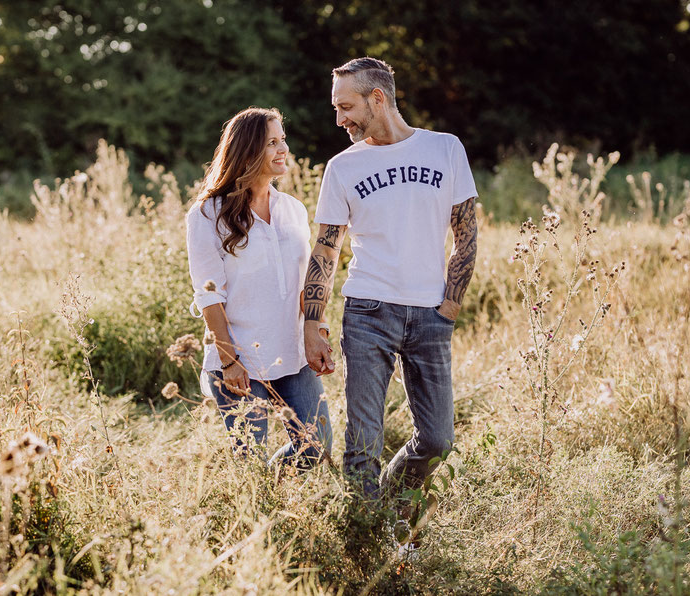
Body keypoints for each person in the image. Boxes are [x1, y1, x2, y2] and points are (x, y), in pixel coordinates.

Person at [303, 58, 478, 497]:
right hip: (367, 311)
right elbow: (326, 250)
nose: (339, 119)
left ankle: (389, 504)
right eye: (336, 109)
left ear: (377, 98)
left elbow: (466, 233)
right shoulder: (342, 167)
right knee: (363, 444)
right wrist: (312, 322)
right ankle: (370, 535)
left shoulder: (445, 149)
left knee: (438, 441)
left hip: (431, 315)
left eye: (346, 107)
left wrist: (449, 306)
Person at [186, 107, 332, 467]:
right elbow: (209, 294)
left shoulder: (293, 209)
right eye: (272, 143)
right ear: (248, 150)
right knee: (249, 459)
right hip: (239, 362)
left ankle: (277, 493)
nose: (283, 149)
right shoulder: (207, 214)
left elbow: (304, 282)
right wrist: (230, 359)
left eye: (283, 140)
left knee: (317, 444)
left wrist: (318, 332)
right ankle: (257, 513)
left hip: (292, 354)